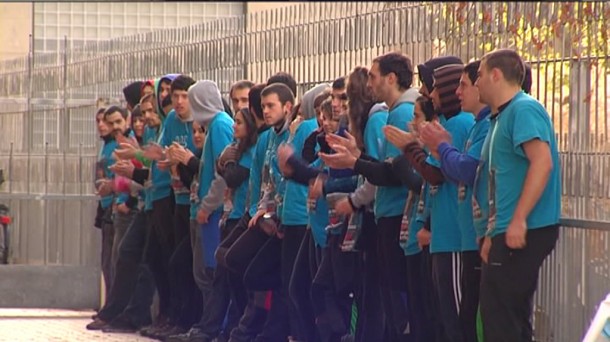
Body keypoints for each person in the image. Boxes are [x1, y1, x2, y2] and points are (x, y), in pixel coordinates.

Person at [475, 48, 560, 342]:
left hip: (525, 230)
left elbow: (542, 162)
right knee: (501, 318)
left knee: (503, 322)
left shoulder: (524, 109)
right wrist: (491, 231)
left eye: (480, 76)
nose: (476, 84)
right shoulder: (499, 118)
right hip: (503, 230)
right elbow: (500, 182)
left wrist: (519, 220)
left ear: (496, 75)